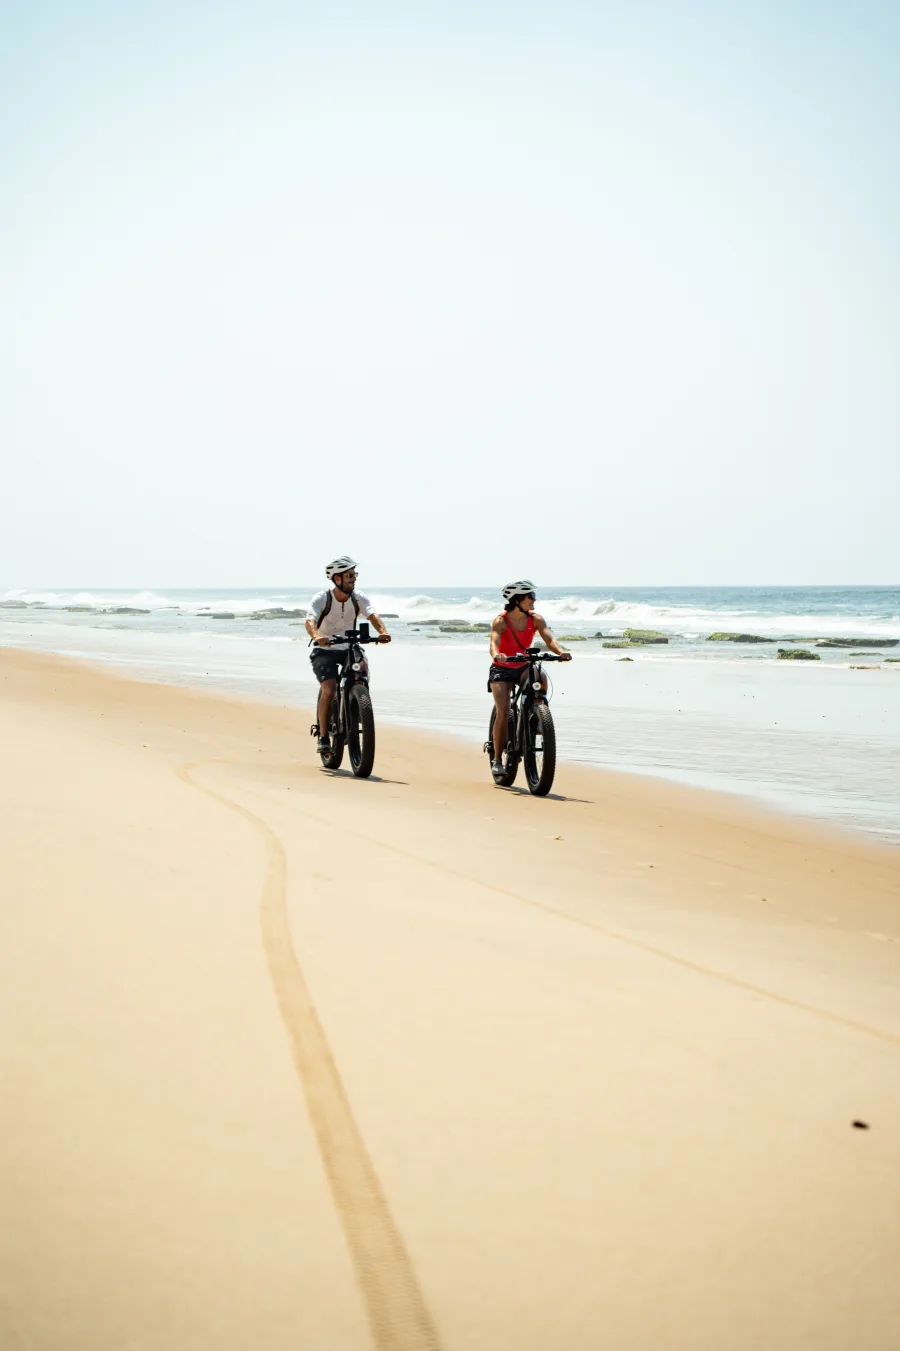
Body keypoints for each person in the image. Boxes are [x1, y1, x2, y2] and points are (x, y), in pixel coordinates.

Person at [306, 557, 391, 753]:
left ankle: (359, 706)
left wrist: (382, 631)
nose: (354, 579)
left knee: (361, 673)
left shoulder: (358, 597)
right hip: (325, 650)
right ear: (337, 579)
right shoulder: (322, 598)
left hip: (349, 648)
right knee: (329, 689)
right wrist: (317, 636)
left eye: (354, 575)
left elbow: (372, 615)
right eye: (349, 576)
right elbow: (310, 620)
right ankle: (324, 737)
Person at [488, 580, 571, 775]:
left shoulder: (536, 619)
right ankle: (497, 760)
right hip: (502, 668)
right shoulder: (501, 620)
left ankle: (538, 716)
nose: (534, 600)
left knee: (539, 676)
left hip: (523, 665)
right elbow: (494, 642)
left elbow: (548, 638)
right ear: (517, 600)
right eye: (530, 596)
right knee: (503, 710)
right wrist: (496, 654)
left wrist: (561, 652)